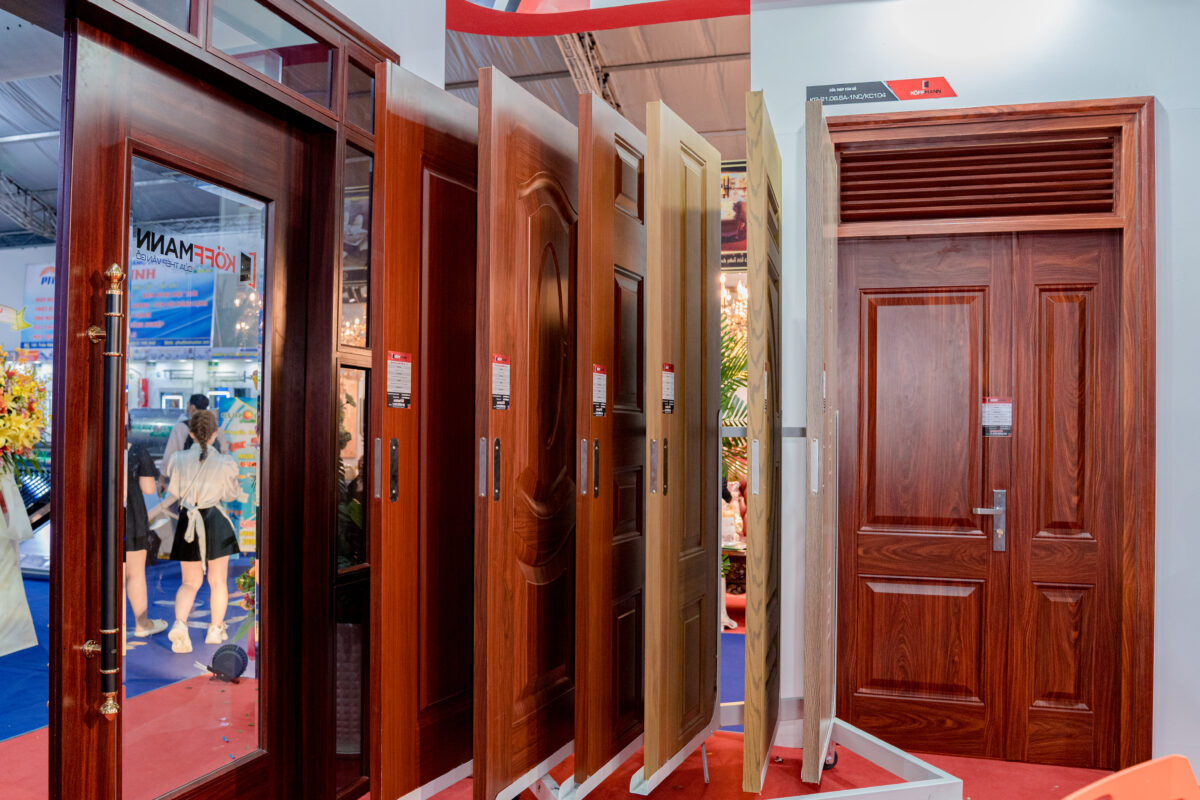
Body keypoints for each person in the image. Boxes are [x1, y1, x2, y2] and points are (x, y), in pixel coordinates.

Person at [164, 410, 246, 654]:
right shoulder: (224, 462)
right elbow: (231, 494)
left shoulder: (178, 459)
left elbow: (175, 492)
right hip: (215, 521)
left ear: (190, 433)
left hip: (188, 522)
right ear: (215, 434)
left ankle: (180, 624)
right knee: (217, 581)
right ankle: (215, 629)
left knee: (189, 582)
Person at [125, 420, 167, 639]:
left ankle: (111, 625)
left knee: (108, 573)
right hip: (131, 517)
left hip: (102, 515)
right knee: (135, 574)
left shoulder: (96, 446)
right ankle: (142, 624)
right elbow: (149, 488)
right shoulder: (137, 451)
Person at [159, 394, 228, 491]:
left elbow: (169, 454)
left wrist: (162, 478)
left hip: (186, 483)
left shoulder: (180, 428)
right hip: (212, 483)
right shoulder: (216, 429)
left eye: (188, 404)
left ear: (192, 407)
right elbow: (224, 453)